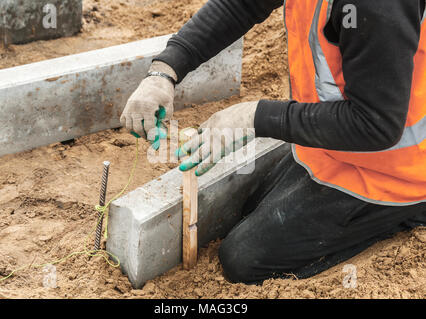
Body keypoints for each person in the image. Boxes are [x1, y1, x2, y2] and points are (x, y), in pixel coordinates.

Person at [120, 0, 426, 284]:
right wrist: (164, 72)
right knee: (249, 210)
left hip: (399, 169)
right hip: (334, 146)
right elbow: (241, 5)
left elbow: (375, 124)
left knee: (243, 259)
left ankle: (412, 212)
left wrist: (252, 117)